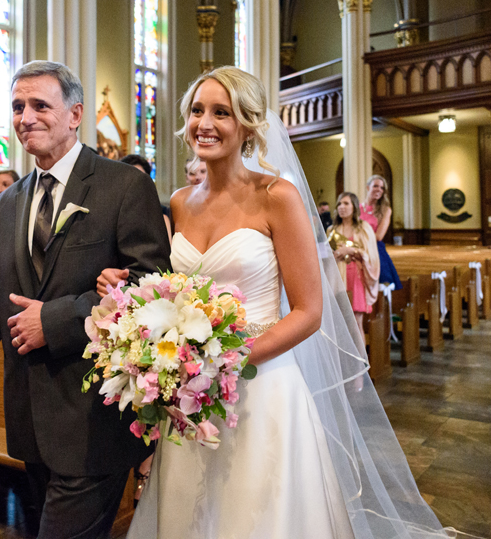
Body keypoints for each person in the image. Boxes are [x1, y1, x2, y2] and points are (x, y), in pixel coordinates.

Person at [98, 67, 448, 538]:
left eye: (222, 112)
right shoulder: (179, 203)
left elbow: (308, 311)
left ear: (247, 124)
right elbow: (168, 291)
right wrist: (125, 290)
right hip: (192, 392)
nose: (205, 122)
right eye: (198, 110)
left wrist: (228, 359)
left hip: (263, 385)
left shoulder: (276, 197)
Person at [0, 60, 171, 539]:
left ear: (75, 115)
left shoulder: (123, 186)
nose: (25, 117)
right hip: (30, 420)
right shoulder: (8, 202)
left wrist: (54, 320)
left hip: (95, 416)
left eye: (39, 105)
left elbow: (152, 285)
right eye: (17, 107)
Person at [329, 191, 380, 342]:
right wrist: (334, 254)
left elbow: (372, 255)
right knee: (340, 323)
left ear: (354, 207)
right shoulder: (332, 230)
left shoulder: (363, 228)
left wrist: (350, 250)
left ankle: (361, 363)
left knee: (356, 322)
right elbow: (328, 256)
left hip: (356, 277)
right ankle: (344, 362)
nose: (342, 207)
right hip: (338, 277)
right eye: (339, 204)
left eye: (346, 203)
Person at [361, 175, 402, 290]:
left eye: (382, 188)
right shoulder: (357, 208)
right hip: (357, 249)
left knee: (381, 284)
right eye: (375, 186)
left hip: (375, 250)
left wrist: (358, 236)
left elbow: (379, 236)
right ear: (368, 187)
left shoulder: (385, 210)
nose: (379, 189)